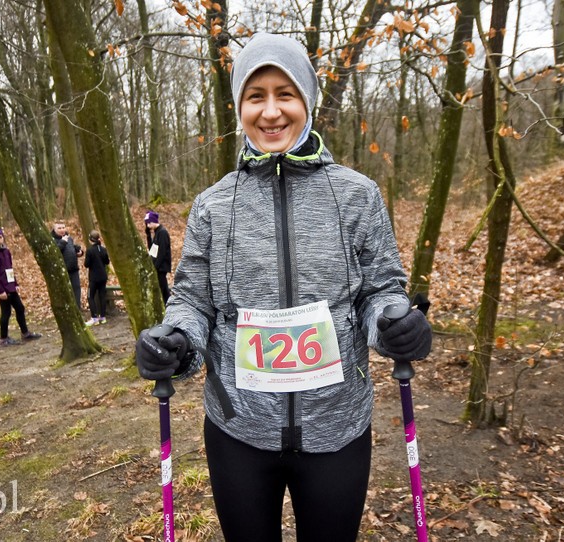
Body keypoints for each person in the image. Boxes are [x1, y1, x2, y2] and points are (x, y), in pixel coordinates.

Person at [134, 33, 432, 542]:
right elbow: (192, 300)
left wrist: (393, 323)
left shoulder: (357, 195)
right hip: (238, 429)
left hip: (337, 426)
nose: (271, 112)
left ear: (307, 101)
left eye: (285, 94)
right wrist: (177, 340)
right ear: (240, 108)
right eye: (256, 96)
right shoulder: (213, 205)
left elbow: (381, 287)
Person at [0, 228, 42, 346]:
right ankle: (3, 338)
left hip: (11, 286)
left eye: (0, 237)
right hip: (3, 288)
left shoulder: (6, 252)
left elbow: (10, 269)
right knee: (6, 312)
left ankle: (25, 333)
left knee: (20, 308)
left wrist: (15, 283)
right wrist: (0, 291)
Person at [51, 221, 84, 310]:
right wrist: (62, 242)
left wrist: (80, 253)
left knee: (77, 290)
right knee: (65, 293)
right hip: (62, 271)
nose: (62, 230)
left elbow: (71, 250)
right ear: (54, 229)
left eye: (63, 227)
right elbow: (54, 253)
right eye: (59, 228)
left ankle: (78, 311)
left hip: (74, 270)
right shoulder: (52, 240)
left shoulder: (69, 238)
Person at [144, 210, 172, 304]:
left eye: (149, 223)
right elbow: (152, 250)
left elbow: (162, 253)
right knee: (164, 291)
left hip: (161, 267)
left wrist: (155, 267)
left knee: (162, 291)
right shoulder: (157, 232)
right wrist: (148, 236)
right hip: (158, 267)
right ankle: (169, 306)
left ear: (153, 221)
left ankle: (167, 307)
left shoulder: (162, 233)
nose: (148, 225)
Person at [84, 230, 110, 325]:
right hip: (103, 277)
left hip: (94, 278)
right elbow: (107, 261)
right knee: (102, 296)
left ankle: (94, 317)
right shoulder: (103, 249)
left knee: (90, 296)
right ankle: (103, 317)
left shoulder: (90, 250)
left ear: (90, 240)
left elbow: (86, 264)